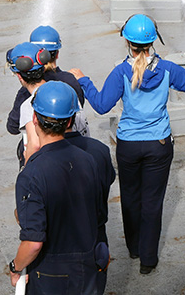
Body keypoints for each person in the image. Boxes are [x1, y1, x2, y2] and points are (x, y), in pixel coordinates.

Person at [70, 13, 185, 274]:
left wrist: (83, 80)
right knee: (153, 202)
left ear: (127, 43)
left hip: (129, 145)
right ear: (154, 41)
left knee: (131, 199)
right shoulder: (168, 69)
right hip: (159, 143)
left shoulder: (121, 71)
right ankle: (148, 259)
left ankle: (133, 248)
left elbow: (101, 105)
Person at [9, 81, 104, 294]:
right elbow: (96, 213)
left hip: (50, 275)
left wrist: (15, 267)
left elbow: (33, 242)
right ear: (70, 120)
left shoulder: (31, 174)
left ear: (35, 119)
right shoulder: (88, 160)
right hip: (86, 267)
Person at [64, 113, 116, 295]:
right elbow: (109, 178)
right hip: (96, 232)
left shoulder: (43, 158)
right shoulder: (100, 149)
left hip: (63, 241)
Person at [6, 25, 87, 139]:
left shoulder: (26, 94)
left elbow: (12, 127)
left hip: (46, 146)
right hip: (76, 141)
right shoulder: (70, 80)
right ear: (57, 54)